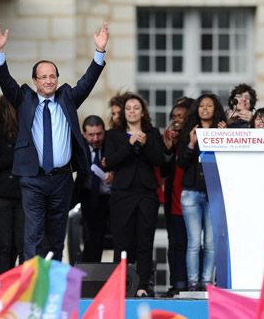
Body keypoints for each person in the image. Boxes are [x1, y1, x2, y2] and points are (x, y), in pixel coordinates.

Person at [0, 21, 109, 261]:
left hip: (62, 178)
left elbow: (87, 81)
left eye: (52, 76)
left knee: (57, 235)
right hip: (33, 178)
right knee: (33, 234)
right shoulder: (24, 98)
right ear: (34, 80)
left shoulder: (67, 97)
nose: (48, 81)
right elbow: (6, 82)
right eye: (43, 77)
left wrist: (99, 52)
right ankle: (33, 287)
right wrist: (0, 53)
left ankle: (52, 287)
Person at [105, 92, 164, 297]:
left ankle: (142, 286)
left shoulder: (153, 133)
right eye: (128, 108)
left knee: (145, 242)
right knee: (121, 242)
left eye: (136, 108)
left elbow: (160, 161)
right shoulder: (113, 135)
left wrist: (146, 143)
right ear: (123, 112)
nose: (132, 112)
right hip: (122, 193)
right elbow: (110, 161)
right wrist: (129, 145)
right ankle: (120, 285)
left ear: (142, 112)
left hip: (147, 193)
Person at [177, 94, 226, 291]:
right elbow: (181, 163)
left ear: (216, 110)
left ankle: (207, 282)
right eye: (202, 105)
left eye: (209, 105)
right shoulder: (189, 132)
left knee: (211, 242)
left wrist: (225, 138)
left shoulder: (221, 131)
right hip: (191, 192)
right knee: (194, 242)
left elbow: (227, 162)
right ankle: (193, 282)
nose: (205, 109)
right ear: (196, 109)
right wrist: (190, 143)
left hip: (214, 192)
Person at [0, 95, 24, 275]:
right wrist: (15, 156)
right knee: (5, 244)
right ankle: (3, 284)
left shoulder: (26, 131)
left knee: (18, 244)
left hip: (19, 194)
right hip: (3, 195)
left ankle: (16, 284)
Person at [160, 97, 193, 297]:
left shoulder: (193, 138)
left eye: (181, 116)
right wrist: (168, 149)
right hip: (173, 198)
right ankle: (177, 283)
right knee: (175, 245)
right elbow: (164, 169)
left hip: (192, 199)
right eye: (174, 116)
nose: (177, 120)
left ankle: (191, 283)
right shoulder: (169, 138)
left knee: (192, 244)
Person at [72, 115, 113, 262]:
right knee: (92, 236)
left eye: (99, 134)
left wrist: (112, 173)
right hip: (89, 196)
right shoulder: (78, 147)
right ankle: (90, 275)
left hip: (112, 195)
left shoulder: (111, 143)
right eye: (91, 135)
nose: (95, 139)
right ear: (84, 134)